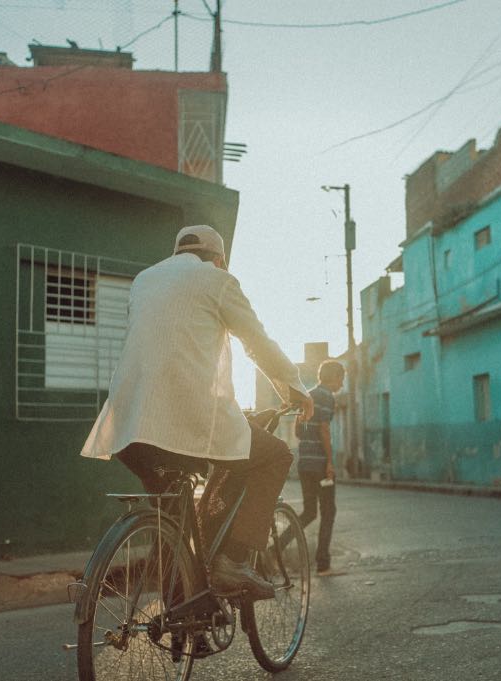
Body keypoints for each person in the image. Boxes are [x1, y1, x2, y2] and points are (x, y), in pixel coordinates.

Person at [80, 224, 313, 601]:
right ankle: (233, 561)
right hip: (187, 419)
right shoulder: (217, 280)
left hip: (129, 426)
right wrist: (294, 387)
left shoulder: (144, 280)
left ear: (177, 253)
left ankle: (181, 612)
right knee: (273, 456)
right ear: (219, 259)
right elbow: (256, 341)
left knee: (172, 518)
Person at [295, 360, 345, 575]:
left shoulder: (308, 395)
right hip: (320, 465)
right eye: (341, 379)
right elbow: (324, 429)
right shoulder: (326, 397)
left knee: (309, 512)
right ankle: (323, 564)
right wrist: (330, 462)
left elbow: (298, 431)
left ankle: (273, 549)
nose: (342, 384)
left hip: (304, 463)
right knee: (328, 511)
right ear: (333, 377)